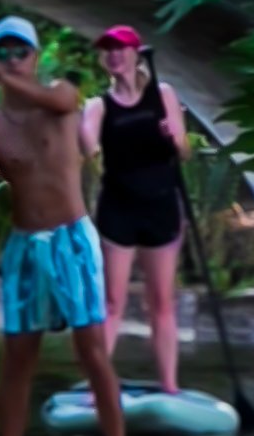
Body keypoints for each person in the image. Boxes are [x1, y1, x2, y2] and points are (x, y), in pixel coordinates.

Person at [0, 16, 132, 436]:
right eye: (4, 53)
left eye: (21, 52)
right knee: (18, 356)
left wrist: (3, 78)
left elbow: (59, 99)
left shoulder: (60, 97)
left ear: (35, 57)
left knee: (92, 351)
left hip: (71, 241)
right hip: (23, 247)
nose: (13, 60)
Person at [80, 25, 189, 392]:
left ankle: (170, 387)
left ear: (135, 54)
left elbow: (184, 151)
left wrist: (174, 135)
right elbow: (88, 145)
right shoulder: (98, 105)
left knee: (162, 303)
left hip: (161, 206)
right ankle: (99, 387)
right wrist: (81, 136)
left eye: (120, 48)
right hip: (119, 209)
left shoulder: (163, 94)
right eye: (107, 49)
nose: (113, 54)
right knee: (112, 303)